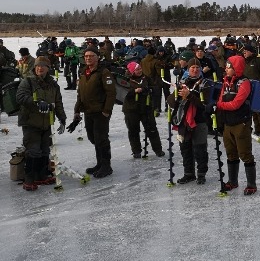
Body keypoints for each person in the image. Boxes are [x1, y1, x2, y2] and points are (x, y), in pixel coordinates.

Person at [15, 56, 67, 190]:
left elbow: (58, 102)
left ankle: (41, 176)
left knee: (44, 150)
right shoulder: (28, 81)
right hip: (31, 122)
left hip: (47, 123)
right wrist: (37, 102)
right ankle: (29, 179)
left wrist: (62, 118)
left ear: (48, 68)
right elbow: (20, 97)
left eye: (43, 66)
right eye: (38, 66)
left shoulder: (53, 84)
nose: (40, 68)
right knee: (33, 151)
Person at [71, 46, 116, 178]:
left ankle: (106, 166)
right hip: (88, 111)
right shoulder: (84, 72)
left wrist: (106, 111)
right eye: (86, 56)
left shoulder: (103, 72)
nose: (88, 58)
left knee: (101, 139)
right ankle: (100, 163)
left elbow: (111, 93)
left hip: (100, 112)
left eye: (91, 56)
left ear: (97, 57)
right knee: (93, 138)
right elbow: (80, 93)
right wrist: (77, 110)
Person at [216, 55, 256, 195]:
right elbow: (221, 99)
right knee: (231, 154)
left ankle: (251, 184)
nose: (226, 69)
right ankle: (233, 181)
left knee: (245, 153)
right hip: (228, 123)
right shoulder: (225, 82)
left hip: (241, 123)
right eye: (226, 66)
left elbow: (236, 104)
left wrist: (218, 105)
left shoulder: (244, 83)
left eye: (229, 67)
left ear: (236, 68)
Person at [169, 58, 212, 184]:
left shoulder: (205, 83)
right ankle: (189, 173)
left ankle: (201, 174)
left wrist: (189, 96)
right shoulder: (183, 82)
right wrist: (176, 95)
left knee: (200, 149)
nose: (195, 70)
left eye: (197, 68)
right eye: (192, 67)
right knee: (185, 148)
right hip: (183, 121)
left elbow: (205, 105)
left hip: (199, 120)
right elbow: (171, 102)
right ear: (188, 69)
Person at [121, 61, 165, 159]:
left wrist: (148, 89)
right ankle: (136, 151)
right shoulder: (125, 80)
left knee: (152, 129)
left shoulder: (146, 78)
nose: (140, 70)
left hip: (146, 108)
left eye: (140, 68)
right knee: (133, 131)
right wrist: (133, 91)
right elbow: (121, 93)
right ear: (132, 71)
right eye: (137, 69)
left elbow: (154, 88)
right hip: (131, 110)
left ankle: (158, 149)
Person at [243, 44, 260, 141]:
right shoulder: (245, 62)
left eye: (246, 51)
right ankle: (257, 129)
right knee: (253, 110)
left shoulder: (258, 61)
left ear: (251, 52)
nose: (244, 53)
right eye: (244, 51)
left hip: (259, 89)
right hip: (249, 89)